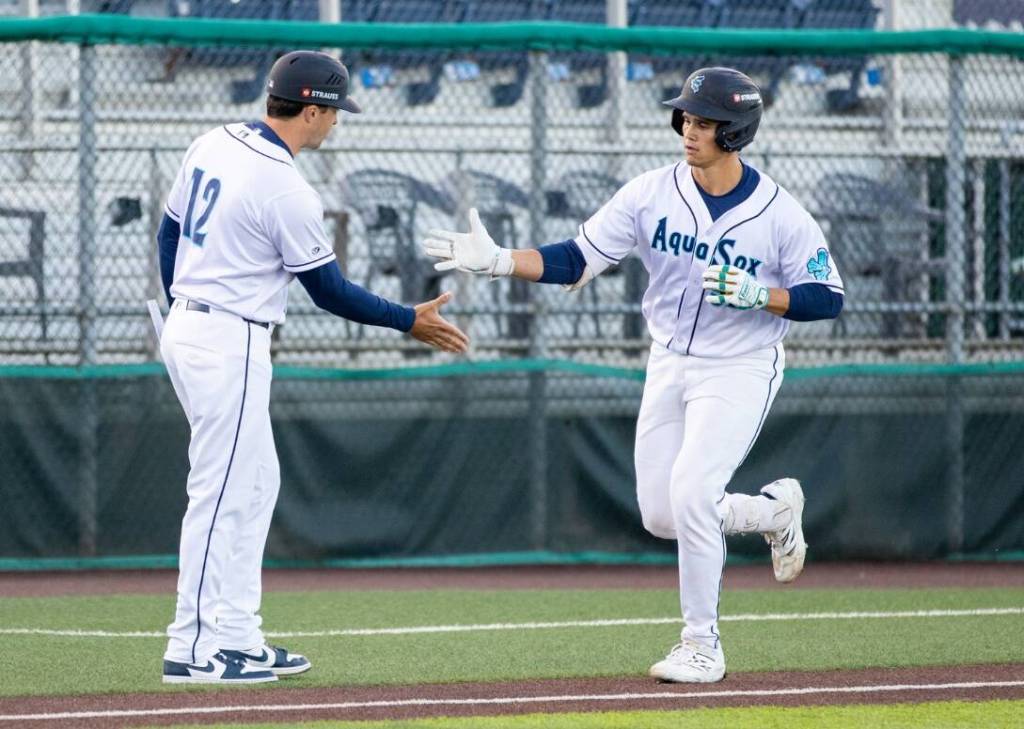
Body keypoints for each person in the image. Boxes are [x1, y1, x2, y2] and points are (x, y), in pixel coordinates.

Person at [423, 67, 843, 683]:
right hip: (669, 357)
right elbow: (577, 259)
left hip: (740, 365)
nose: (689, 131)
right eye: (686, 119)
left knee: (693, 493)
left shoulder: (780, 214)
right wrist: (501, 261)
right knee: (662, 515)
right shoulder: (650, 192)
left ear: (735, 131)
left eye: (705, 122)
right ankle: (771, 514)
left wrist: (765, 295)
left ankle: (702, 645)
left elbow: (827, 297)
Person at [157, 51, 469, 685]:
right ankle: (191, 646)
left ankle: (237, 634)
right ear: (310, 110)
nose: (335, 121)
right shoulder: (285, 186)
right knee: (220, 492)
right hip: (228, 337)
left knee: (255, 484)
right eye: (333, 110)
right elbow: (329, 291)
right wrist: (407, 319)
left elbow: (169, 234)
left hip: (191, 326)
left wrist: (184, 308)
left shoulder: (213, 141)